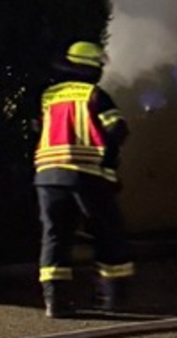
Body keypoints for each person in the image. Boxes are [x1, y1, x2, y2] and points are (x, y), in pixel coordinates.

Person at [34, 40, 135, 318]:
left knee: (55, 236)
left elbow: (41, 129)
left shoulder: (48, 96)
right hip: (86, 174)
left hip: (47, 175)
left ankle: (55, 302)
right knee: (108, 232)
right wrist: (109, 159)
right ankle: (112, 298)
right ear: (93, 68)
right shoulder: (95, 95)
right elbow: (117, 129)